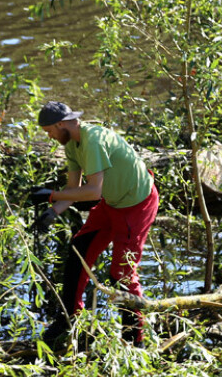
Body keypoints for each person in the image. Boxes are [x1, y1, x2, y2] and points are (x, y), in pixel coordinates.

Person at [30, 101, 159, 347]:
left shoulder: (93, 140)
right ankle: (69, 319)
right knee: (79, 249)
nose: (49, 136)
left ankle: (134, 341)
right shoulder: (71, 145)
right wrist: (52, 212)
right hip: (113, 204)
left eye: (49, 131)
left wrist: (51, 195)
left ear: (60, 124)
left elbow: (93, 193)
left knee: (122, 274)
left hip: (136, 206)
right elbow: (74, 189)